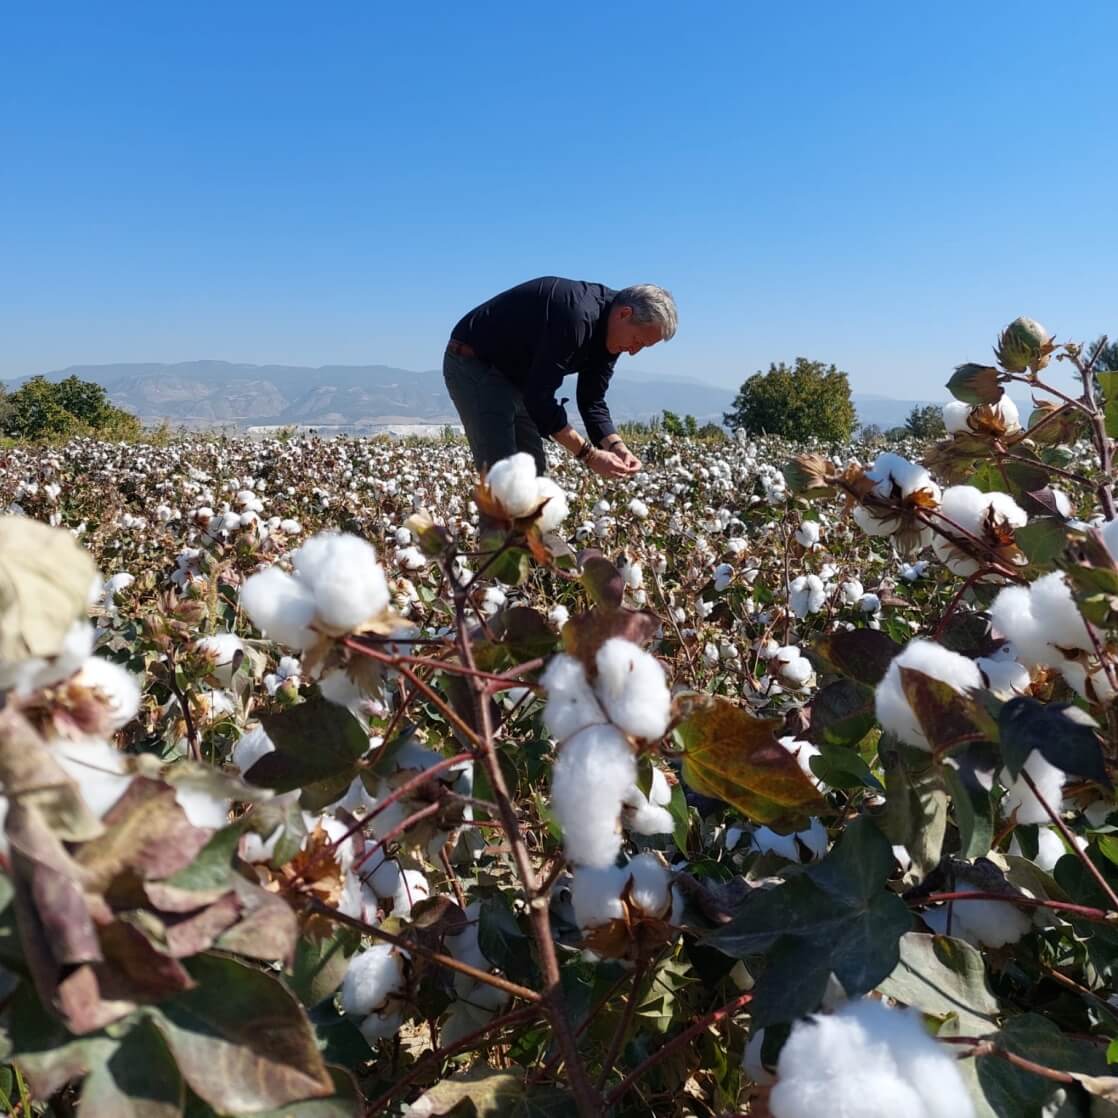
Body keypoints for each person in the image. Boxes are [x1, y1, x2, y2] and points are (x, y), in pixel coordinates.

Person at [443, 277, 677, 479]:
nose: (634, 351)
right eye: (637, 341)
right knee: (504, 480)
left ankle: (530, 532)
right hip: (475, 364)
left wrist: (617, 447)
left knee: (534, 479)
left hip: (517, 380)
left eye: (642, 347)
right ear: (625, 314)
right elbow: (540, 401)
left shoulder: (610, 336)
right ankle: (500, 531)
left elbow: (592, 401)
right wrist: (590, 455)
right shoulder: (575, 317)